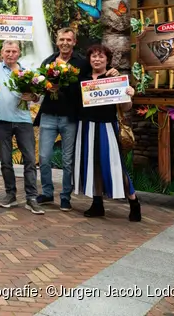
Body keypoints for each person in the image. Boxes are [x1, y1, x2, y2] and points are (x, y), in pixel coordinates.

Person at [0, 27, 44, 214]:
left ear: (19, 53)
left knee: (30, 160)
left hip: (23, 120)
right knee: (6, 161)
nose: (10, 54)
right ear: (1, 54)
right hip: (1, 121)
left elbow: (37, 96)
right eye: (7, 51)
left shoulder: (27, 71)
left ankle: (31, 197)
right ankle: (10, 194)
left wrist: (32, 97)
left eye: (14, 51)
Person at [74, 44, 140, 221]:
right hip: (86, 126)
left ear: (107, 59)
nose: (97, 59)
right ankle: (97, 204)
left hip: (107, 126)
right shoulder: (83, 78)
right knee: (93, 165)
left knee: (115, 165)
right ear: (89, 59)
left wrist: (129, 94)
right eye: (94, 56)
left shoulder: (114, 77)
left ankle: (133, 201)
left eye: (101, 56)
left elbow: (126, 107)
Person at [35, 28, 90, 212]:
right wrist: (46, 87)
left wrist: (64, 85)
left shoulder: (82, 63)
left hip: (70, 117)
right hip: (49, 116)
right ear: (56, 42)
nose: (65, 42)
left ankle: (65, 196)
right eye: (61, 39)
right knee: (44, 157)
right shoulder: (48, 62)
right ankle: (47, 192)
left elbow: (87, 87)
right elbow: (40, 87)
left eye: (68, 39)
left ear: (74, 42)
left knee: (67, 160)